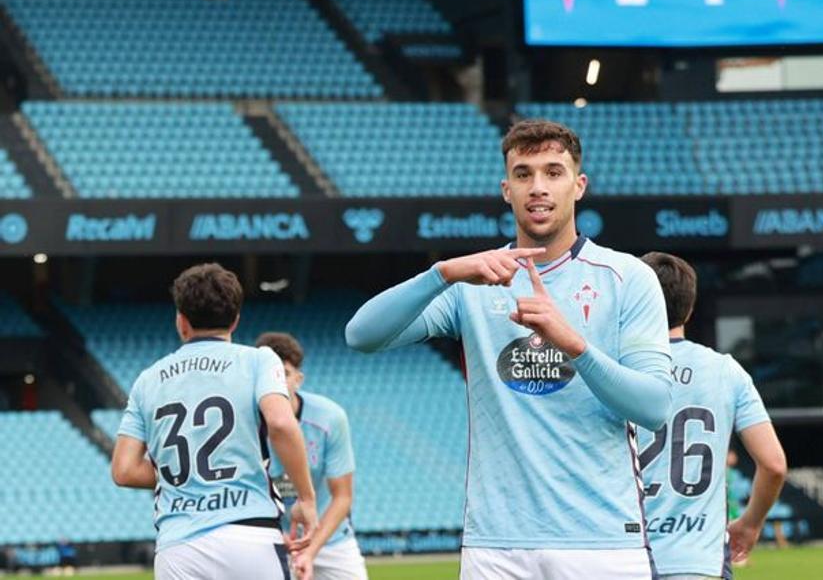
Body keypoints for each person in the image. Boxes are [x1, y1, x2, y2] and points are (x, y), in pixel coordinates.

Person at [345, 119, 673, 580]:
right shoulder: (474, 282)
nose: (538, 187)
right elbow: (361, 336)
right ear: (506, 190)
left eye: (553, 172)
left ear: (579, 185)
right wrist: (442, 274)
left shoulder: (626, 278)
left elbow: (654, 408)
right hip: (496, 547)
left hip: (600, 541)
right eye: (523, 174)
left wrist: (575, 345)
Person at [111, 263, 317, 580]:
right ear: (235, 320)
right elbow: (280, 423)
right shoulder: (260, 360)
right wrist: (306, 498)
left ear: (181, 321)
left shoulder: (147, 380)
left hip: (178, 546)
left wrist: (189, 475)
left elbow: (124, 470)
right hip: (250, 532)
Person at [638, 252, 787, 580]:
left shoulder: (613, 369)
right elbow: (774, 465)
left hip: (624, 558)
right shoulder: (725, 371)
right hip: (700, 560)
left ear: (636, 301)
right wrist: (751, 524)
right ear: (690, 309)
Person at [257, 332, 368, 580]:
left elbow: (342, 496)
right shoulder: (244, 422)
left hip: (329, 539)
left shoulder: (330, 417)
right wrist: (276, 535)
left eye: (284, 374)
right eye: (269, 375)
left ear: (298, 379)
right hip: (269, 539)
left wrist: (310, 551)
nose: (276, 383)